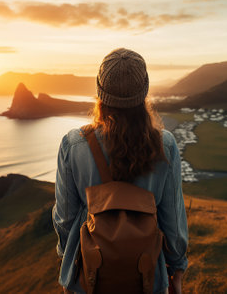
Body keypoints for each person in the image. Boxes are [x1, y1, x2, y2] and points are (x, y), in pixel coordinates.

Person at [52, 48, 188, 293]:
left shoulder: (73, 144)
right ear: (144, 92)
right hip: (147, 278)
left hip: (88, 277)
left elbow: (65, 217)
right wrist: (176, 268)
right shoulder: (165, 144)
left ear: (99, 92)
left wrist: (69, 261)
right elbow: (173, 220)